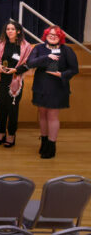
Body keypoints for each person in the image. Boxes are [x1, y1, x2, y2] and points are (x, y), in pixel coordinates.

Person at [27, 26, 79, 159]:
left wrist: (61, 74)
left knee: (52, 116)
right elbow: (30, 63)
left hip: (57, 87)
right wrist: (46, 57)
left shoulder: (67, 50)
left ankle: (51, 145)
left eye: (56, 35)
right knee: (42, 115)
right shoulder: (39, 48)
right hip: (41, 86)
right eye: (50, 34)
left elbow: (74, 69)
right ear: (45, 35)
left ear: (60, 37)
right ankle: (44, 142)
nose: (53, 36)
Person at [0, 21, 32, 148]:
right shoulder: (0, 43)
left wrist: (16, 70)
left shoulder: (26, 46)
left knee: (13, 110)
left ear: (18, 31)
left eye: (12, 29)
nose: (9, 31)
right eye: (8, 29)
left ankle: (11, 134)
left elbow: (28, 64)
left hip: (15, 81)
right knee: (1, 108)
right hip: (2, 80)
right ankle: (1, 132)